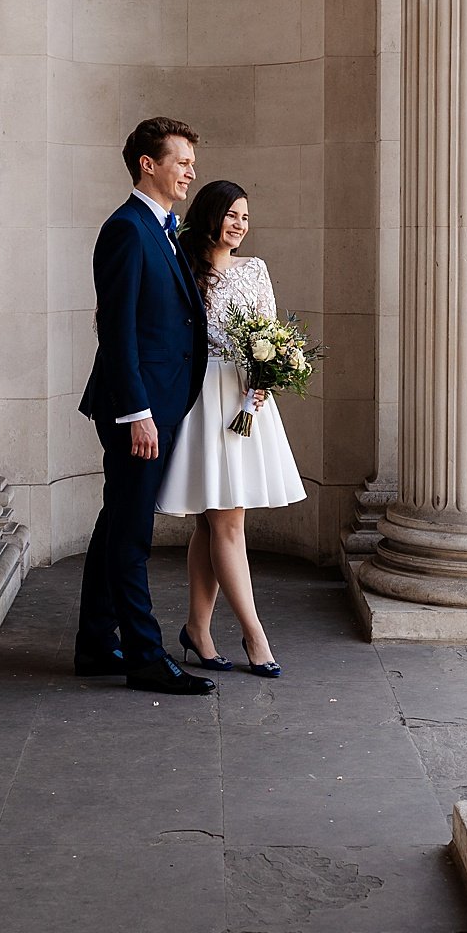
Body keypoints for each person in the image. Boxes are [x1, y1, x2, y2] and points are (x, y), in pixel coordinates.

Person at [74, 118, 215, 696]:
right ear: (147, 165)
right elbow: (118, 330)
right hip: (137, 409)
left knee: (116, 526)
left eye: (191, 161)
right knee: (132, 535)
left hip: (161, 402)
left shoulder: (163, 229)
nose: (191, 171)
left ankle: (92, 644)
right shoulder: (127, 229)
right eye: (181, 160)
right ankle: (146, 656)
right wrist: (137, 413)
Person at [157, 180, 306, 678]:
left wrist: (269, 377)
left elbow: (270, 333)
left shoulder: (255, 270)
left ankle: (198, 629)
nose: (240, 224)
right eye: (232, 215)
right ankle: (254, 635)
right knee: (224, 521)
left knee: (215, 521)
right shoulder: (183, 264)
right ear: (211, 215)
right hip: (201, 399)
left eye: (246, 216)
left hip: (245, 401)